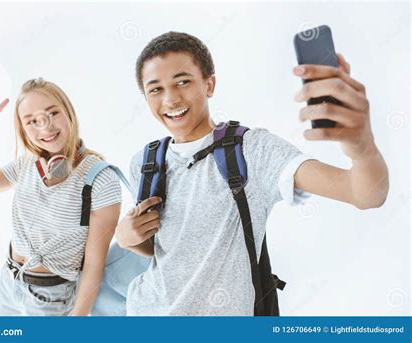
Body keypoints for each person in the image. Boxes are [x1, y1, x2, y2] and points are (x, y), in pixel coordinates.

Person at [114, 31, 389, 315]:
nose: (170, 99)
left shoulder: (251, 150)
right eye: (155, 89)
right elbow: (169, 249)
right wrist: (127, 238)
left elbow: (366, 194)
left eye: (182, 82)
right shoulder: (145, 163)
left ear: (209, 84)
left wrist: (361, 146)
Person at [0, 78, 122, 316]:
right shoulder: (27, 165)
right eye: (31, 121)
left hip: (51, 298)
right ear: (23, 129)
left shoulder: (101, 179)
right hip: (9, 283)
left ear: (69, 113)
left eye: (52, 113)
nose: (45, 127)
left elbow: (94, 265)